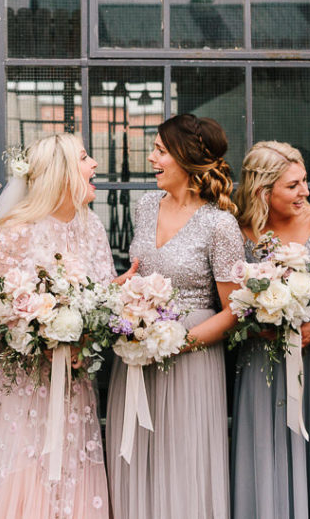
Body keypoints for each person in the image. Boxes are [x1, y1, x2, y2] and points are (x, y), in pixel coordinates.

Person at [0, 133, 123, 519]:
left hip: (73, 383)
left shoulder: (92, 227)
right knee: (27, 469)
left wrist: (84, 336)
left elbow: (104, 298)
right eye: (85, 158)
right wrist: (38, 332)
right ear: (61, 172)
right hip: (21, 383)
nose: (93, 166)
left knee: (73, 466)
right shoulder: (15, 229)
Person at [105, 114, 243, 519]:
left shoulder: (221, 225)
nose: (151, 159)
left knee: (182, 459)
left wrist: (177, 342)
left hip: (191, 358)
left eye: (160, 151)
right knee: (137, 459)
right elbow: (138, 272)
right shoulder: (147, 206)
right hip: (137, 353)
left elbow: (234, 311)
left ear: (186, 159)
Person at [229, 141, 310, 518]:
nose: (304, 191)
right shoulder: (240, 234)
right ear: (262, 191)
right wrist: (258, 326)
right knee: (265, 448)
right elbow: (231, 303)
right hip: (262, 363)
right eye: (293, 185)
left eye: (304, 181)